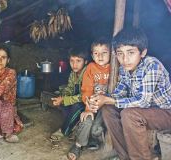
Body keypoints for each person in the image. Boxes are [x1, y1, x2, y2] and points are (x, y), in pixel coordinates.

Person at [89, 27, 171, 160]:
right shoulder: (124, 69)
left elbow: (143, 101)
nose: (125, 59)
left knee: (129, 114)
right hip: (144, 112)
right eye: (120, 53)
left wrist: (109, 100)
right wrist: (100, 100)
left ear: (142, 52)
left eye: (131, 52)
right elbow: (118, 94)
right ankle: (125, 156)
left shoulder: (152, 65)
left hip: (166, 112)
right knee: (107, 109)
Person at [67, 38, 111, 160]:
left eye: (104, 52)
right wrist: (88, 108)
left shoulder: (115, 67)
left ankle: (94, 138)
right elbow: (86, 89)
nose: (100, 56)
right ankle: (78, 145)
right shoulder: (90, 68)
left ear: (111, 53)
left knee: (98, 126)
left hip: (108, 104)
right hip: (92, 102)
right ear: (92, 55)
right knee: (86, 119)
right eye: (96, 53)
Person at [50, 48, 88, 141]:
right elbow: (70, 88)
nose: (74, 65)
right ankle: (74, 128)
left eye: (78, 61)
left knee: (76, 106)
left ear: (86, 62)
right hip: (78, 99)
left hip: (87, 101)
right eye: (72, 61)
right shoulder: (73, 73)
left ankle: (64, 131)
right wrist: (62, 97)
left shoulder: (88, 72)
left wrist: (64, 100)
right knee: (65, 105)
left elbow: (84, 96)